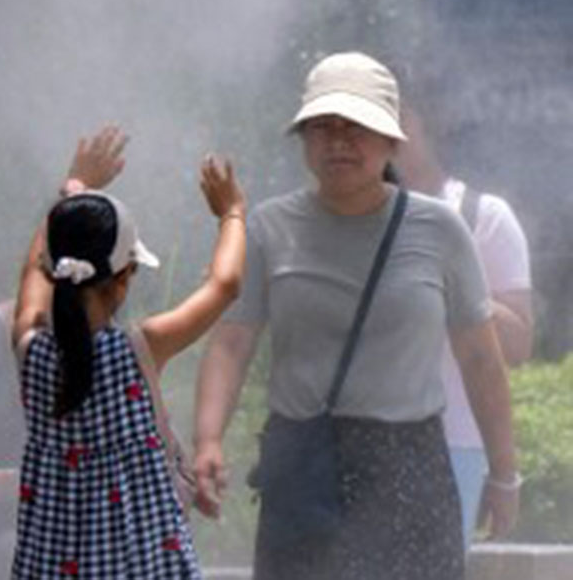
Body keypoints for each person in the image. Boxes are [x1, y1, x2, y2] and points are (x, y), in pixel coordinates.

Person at [194, 52, 519, 580]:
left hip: (409, 465)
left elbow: (481, 359)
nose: (338, 142)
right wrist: (208, 440)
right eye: (322, 128)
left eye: (356, 128)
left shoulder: (439, 229)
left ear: (392, 140)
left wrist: (504, 476)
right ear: (302, 139)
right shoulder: (270, 229)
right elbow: (232, 342)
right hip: (303, 465)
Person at [10, 126, 247, 579]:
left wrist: (74, 189)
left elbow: (31, 271)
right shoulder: (140, 347)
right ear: (125, 278)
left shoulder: (29, 346)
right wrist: (232, 213)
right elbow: (226, 283)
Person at [395, 97, 533, 548]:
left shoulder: (483, 216)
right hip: (351, 437)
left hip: (452, 443)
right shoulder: (349, 221)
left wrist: (449, 286)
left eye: (398, 118)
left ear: (428, 123)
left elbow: (516, 346)